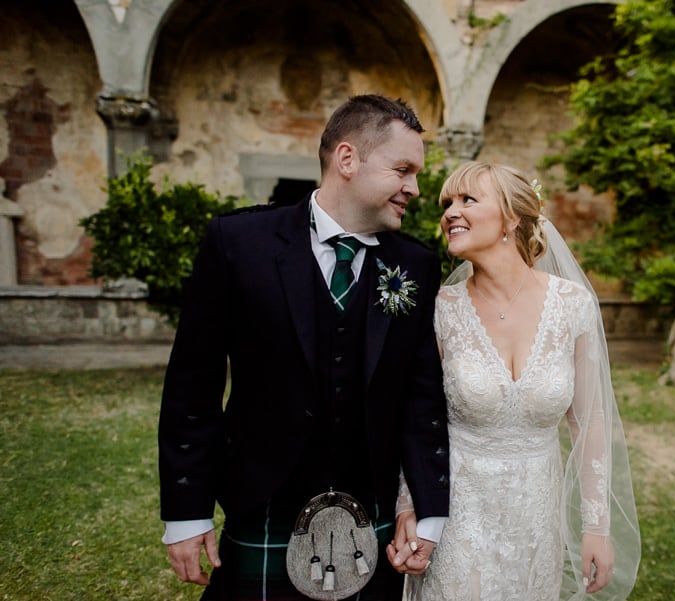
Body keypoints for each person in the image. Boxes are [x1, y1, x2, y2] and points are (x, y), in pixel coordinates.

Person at [158, 94, 450, 600]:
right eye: (403, 169)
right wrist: (186, 512)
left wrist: (429, 508)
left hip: (370, 506)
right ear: (347, 159)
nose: (415, 188)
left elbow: (422, 400)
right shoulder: (239, 243)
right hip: (262, 499)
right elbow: (193, 384)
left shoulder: (415, 264)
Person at [397, 162, 640, 600]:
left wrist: (596, 528)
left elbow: (590, 422)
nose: (451, 211)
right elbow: (417, 418)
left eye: (468, 200)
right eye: (447, 203)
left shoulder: (572, 305)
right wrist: (410, 509)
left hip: (535, 520)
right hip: (458, 517)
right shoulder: (442, 309)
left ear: (512, 217)